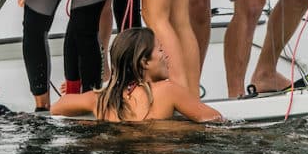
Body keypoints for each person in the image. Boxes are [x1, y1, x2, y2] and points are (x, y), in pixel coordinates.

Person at [52, 27, 223, 123]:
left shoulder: (101, 100)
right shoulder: (167, 90)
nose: (166, 55)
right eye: (161, 50)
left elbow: (58, 106)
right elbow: (216, 120)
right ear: (144, 62)